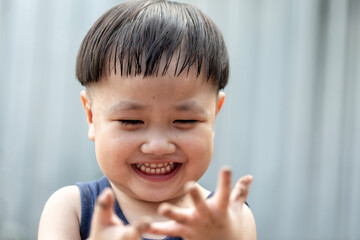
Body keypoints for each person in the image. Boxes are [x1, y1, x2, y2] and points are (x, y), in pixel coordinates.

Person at [38, 0, 257, 239]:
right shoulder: (72, 209)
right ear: (92, 117)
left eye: (185, 121)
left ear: (214, 116)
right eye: (131, 121)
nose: (158, 146)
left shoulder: (230, 221)